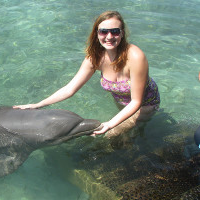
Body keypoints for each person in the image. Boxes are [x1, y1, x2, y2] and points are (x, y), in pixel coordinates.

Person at [13, 11, 160, 139]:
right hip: (121, 100)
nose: (109, 36)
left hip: (145, 104)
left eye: (115, 31)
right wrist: (38, 105)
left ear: (122, 33)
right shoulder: (95, 57)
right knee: (125, 132)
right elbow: (70, 89)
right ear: (96, 34)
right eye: (103, 31)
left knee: (111, 135)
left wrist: (109, 125)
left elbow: (136, 102)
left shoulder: (135, 56)